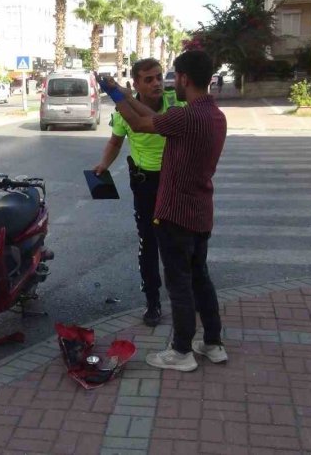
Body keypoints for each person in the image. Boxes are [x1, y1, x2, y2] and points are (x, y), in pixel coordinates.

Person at [96, 50, 227, 373]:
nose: (167, 83)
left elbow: (140, 124)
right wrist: (126, 95)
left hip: (175, 211)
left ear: (183, 78)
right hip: (200, 209)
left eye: (171, 77)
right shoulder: (213, 114)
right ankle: (212, 343)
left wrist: (114, 93)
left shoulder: (185, 116)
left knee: (179, 282)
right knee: (200, 278)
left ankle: (181, 350)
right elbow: (146, 115)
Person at [92, 58, 185, 327]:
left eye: (158, 77)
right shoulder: (123, 112)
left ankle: (184, 298)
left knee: (178, 243)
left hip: (176, 181)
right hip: (146, 185)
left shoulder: (176, 104)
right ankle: (153, 301)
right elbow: (115, 141)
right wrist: (103, 165)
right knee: (149, 244)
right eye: (149, 79)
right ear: (136, 84)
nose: (157, 83)